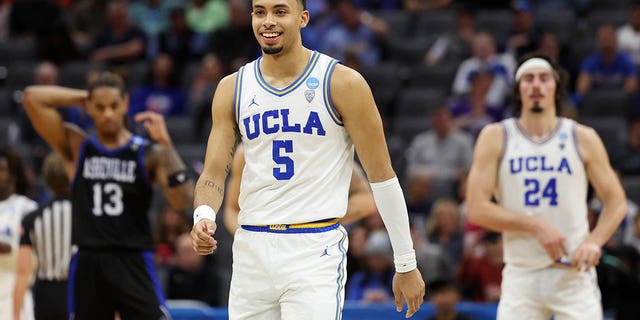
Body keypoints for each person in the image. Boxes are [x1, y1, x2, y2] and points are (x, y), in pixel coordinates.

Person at [190, 0, 425, 319]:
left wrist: (406, 262)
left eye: (280, 11)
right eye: (260, 12)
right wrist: (203, 214)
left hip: (313, 248)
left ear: (303, 18)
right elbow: (213, 173)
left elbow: (383, 178)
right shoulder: (232, 88)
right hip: (251, 250)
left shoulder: (343, 83)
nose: (268, 21)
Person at [466, 54, 627, 319]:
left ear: (556, 87)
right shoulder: (496, 136)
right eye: (528, 79)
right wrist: (535, 224)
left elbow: (616, 201)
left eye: (544, 78)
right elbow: (477, 209)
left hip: (573, 275)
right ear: (519, 90)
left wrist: (595, 241)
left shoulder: (581, 137)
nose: (537, 85)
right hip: (521, 273)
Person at [22, 72, 194, 319]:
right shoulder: (79, 146)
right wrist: (84, 97)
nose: (108, 114)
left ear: (125, 103)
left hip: (133, 258)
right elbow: (32, 98)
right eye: (99, 107)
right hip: (90, 260)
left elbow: (182, 199)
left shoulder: (147, 153)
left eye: (114, 105)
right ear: (90, 107)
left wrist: (166, 144)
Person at [223, 144, 376, 235]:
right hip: (261, 248)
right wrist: (252, 236)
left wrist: (317, 220)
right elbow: (232, 210)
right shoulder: (247, 151)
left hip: (313, 246)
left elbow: (366, 201)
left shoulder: (323, 146)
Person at [13, 152, 73, 320]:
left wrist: (16, 314)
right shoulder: (86, 216)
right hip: (77, 289)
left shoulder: (32, 218)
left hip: (45, 293)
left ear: (47, 178)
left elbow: (23, 271)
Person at [0, 149, 38, 320]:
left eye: (1, 169)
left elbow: (36, 258)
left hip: (16, 290)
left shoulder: (28, 209)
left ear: (13, 175)